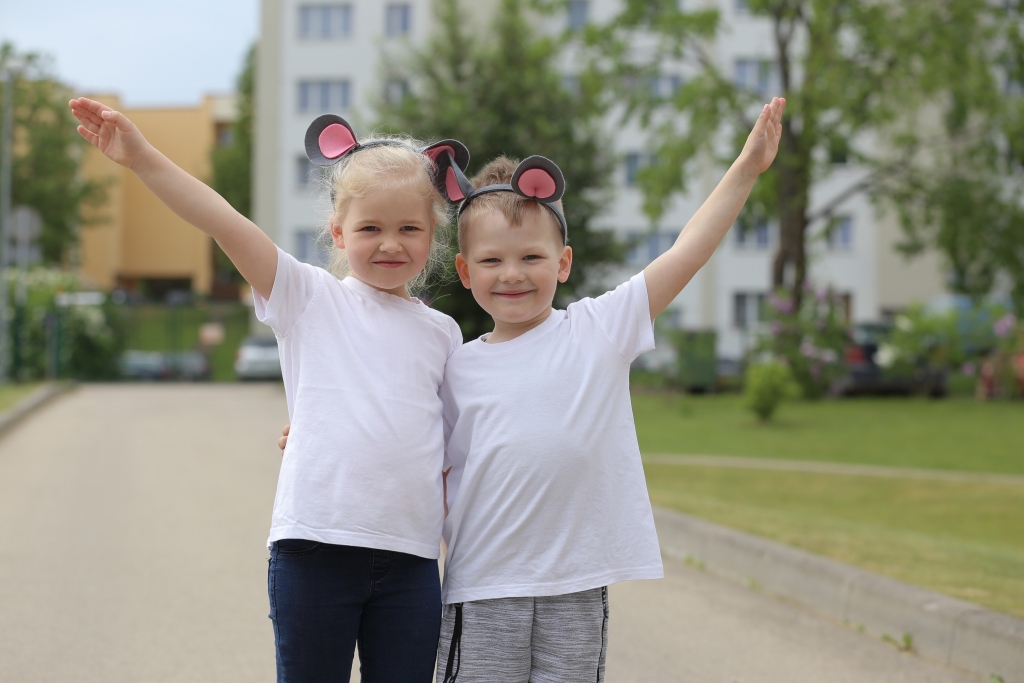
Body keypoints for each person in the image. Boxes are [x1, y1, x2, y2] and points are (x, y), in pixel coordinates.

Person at [70, 98, 468, 683]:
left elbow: (455, 442)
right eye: (370, 228)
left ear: (433, 235)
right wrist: (144, 159)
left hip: (411, 561)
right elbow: (222, 220)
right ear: (337, 231)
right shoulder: (308, 298)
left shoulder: (444, 333)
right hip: (314, 550)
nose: (390, 243)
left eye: (409, 228)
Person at [435, 97, 786, 682]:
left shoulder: (599, 329)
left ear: (564, 262)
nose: (512, 273)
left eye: (531, 256)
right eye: (492, 260)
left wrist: (745, 169)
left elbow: (686, 252)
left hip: (576, 588)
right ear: (467, 272)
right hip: (482, 587)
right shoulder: (454, 367)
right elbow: (410, 446)